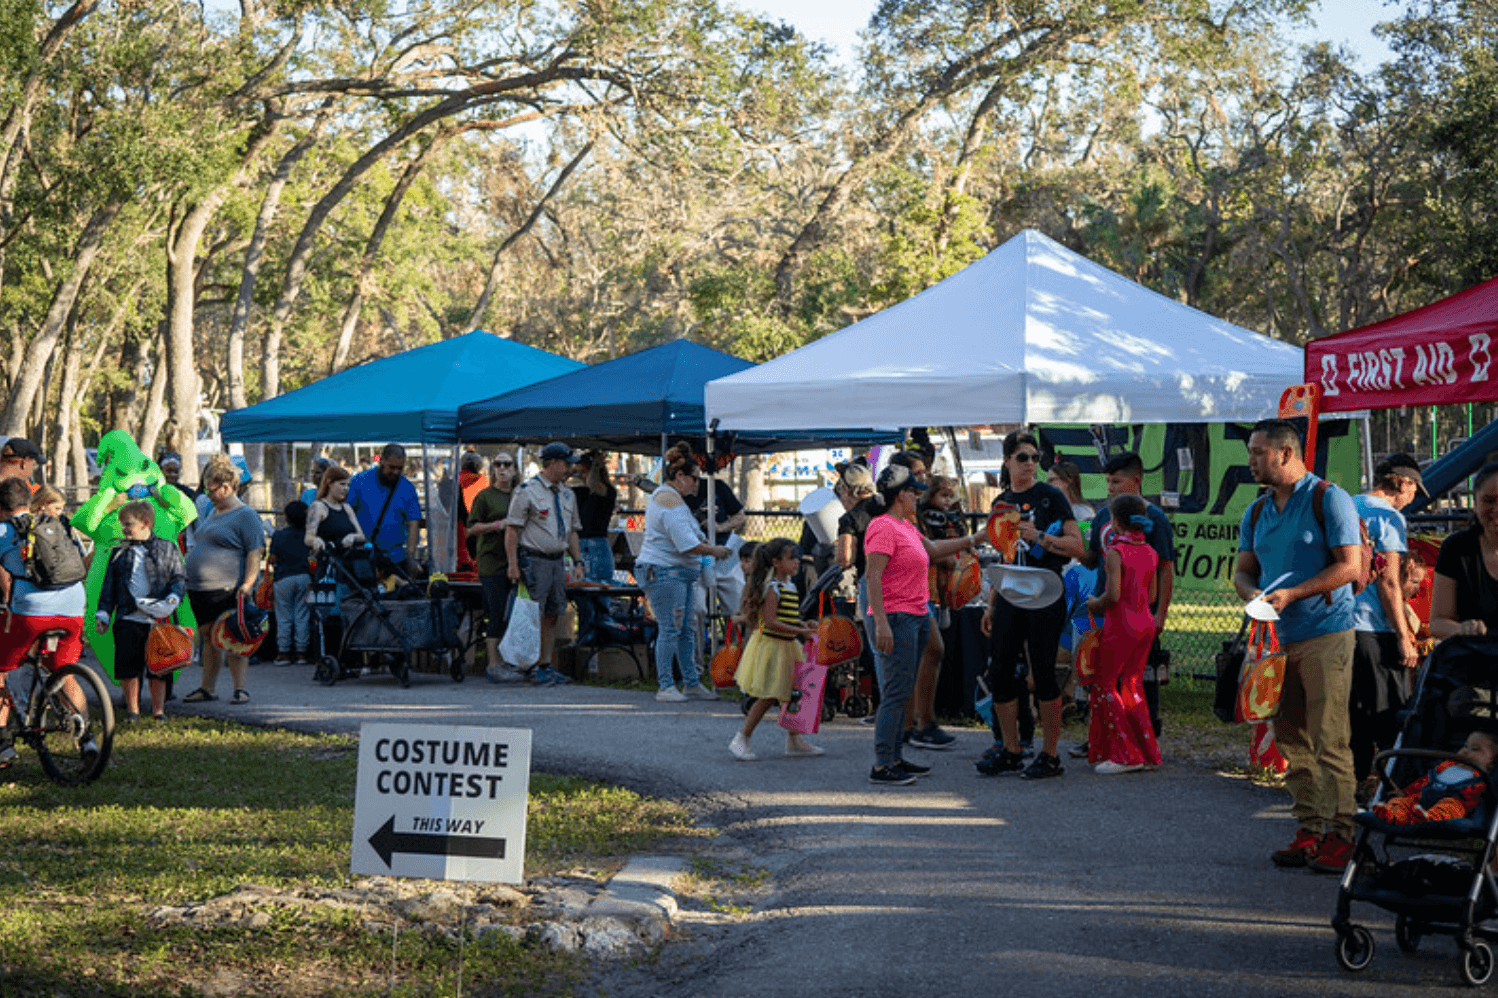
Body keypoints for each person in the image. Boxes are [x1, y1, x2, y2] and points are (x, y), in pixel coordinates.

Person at [1233, 418, 1361, 873]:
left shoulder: (1330, 498)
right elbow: (1243, 571)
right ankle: (1310, 827)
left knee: (1329, 738)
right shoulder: (1256, 510)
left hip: (1326, 632)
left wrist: (1293, 594)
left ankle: (1342, 834)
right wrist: (1252, 596)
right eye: (1250, 451)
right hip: (1276, 642)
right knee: (1290, 737)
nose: (1250, 461)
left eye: (1258, 452)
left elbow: (1350, 567)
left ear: (1286, 453)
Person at [977, 431, 1084, 780]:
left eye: (1035, 458)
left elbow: (1077, 546)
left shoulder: (1050, 496)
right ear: (1007, 461)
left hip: (1045, 592)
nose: (1030, 464)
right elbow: (1005, 556)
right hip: (1010, 594)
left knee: (1042, 673)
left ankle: (1050, 755)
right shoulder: (1001, 503)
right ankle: (1011, 750)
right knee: (1001, 672)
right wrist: (992, 605)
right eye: (1022, 457)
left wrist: (1040, 536)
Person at [866, 463, 979, 785]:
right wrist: (882, 623)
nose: (918, 495)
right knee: (896, 691)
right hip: (898, 616)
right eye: (913, 491)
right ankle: (883, 763)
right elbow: (873, 575)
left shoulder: (906, 525)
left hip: (915, 614)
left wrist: (975, 538)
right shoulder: (883, 526)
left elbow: (932, 550)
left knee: (902, 689)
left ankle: (894, 757)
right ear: (900, 494)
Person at [1077, 451, 1176, 751]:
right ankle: (1103, 738)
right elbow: (1092, 558)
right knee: (1100, 677)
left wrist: (1161, 614)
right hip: (1106, 612)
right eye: (1107, 481)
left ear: (1136, 480)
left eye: (1117, 481)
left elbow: (1166, 567)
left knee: (1134, 680)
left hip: (1135, 613)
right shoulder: (1103, 517)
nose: (1110, 487)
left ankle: (1138, 739)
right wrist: (1057, 543)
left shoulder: (1154, 518)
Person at [1350, 454, 1424, 796]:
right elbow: (1390, 582)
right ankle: (1393, 790)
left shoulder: (1347, 505)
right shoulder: (1388, 517)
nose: (1412, 498)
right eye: (1413, 489)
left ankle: (1351, 785)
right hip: (1374, 628)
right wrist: (1403, 636)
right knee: (1387, 711)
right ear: (1404, 483)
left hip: (1338, 623)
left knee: (1353, 711)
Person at [0, 477, 88, 766]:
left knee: (1, 667)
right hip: (74, 606)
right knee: (63, 671)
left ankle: (2, 745)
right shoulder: (53, 523)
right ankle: (88, 739)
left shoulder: (2, 530)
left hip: (32, 611)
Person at [635, 443, 730, 702]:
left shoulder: (670, 498)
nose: (696, 485)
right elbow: (686, 543)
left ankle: (690, 683)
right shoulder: (670, 501)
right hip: (666, 572)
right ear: (680, 476)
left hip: (675, 572)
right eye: (694, 479)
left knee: (685, 629)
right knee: (670, 628)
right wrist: (714, 551)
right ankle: (665, 685)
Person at [1083, 494, 1162, 775]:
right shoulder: (1150, 552)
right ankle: (1146, 750)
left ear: (1115, 523)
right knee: (1132, 685)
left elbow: (1113, 594)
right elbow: (1151, 594)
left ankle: (1124, 753)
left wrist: (1094, 603)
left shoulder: (1116, 552)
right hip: (1145, 623)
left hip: (1121, 624)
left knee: (1105, 686)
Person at [182, 454, 266, 706]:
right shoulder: (214, 514)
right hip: (201, 589)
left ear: (227, 488)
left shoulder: (246, 515)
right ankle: (207, 688)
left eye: (211, 490)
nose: (207, 495)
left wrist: (248, 583)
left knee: (233, 637)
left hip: (228, 586)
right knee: (209, 637)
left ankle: (240, 689)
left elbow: (255, 551)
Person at [729, 538, 822, 760]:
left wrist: (802, 624)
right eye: (791, 558)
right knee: (769, 695)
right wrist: (800, 632)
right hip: (772, 647)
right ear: (776, 562)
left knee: (791, 694)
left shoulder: (788, 586)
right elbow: (769, 621)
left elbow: (786, 616)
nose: (797, 561)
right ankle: (742, 737)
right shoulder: (772, 588)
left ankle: (794, 740)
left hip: (786, 646)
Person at [94, 501, 186, 721]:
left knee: (159, 666)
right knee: (128, 666)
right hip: (128, 617)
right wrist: (103, 614)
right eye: (122, 525)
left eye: (128, 524)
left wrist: (173, 597)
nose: (124, 529)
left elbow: (178, 577)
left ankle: (158, 710)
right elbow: (109, 586)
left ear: (146, 523)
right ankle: (132, 709)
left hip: (159, 620)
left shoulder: (167, 547)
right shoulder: (119, 552)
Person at [505, 441, 585, 687]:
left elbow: (572, 531)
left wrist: (578, 561)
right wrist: (513, 563)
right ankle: (527, 665)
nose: (570, 469)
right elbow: (512, 530)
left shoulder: (568, 494)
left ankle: (545, 664)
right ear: (552, 463)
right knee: (532, 616)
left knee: (553, 613)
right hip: (534, 560)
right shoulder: (526, 490)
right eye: (565, 464)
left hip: (557, 561)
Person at [909, 474, 965, 750]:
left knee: (924, 655)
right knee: (927, 653)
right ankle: (919, 724)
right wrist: (951, 556)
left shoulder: (933, 518)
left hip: (930, 592)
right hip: (918, 593)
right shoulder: (915, 518)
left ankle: (913, 724)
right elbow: (927, 551)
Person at [468, 453, 524, 683]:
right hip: (492, 561)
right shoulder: (485, 497)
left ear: (515, 469)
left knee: (517, 613)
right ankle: (493, 663)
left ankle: (512, 660)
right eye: (497, 463)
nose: (502, 468)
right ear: (492, 469)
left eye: (506, 464)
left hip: (519, 559)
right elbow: (471, 528)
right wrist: (496, 525)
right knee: (496, 611)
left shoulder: (520, 494)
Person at [1369, 731, 1498, 826]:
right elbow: (1424, 781)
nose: (1466, 751)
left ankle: (1430, 818)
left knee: (1451, 807)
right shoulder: (1446, 765)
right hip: (1423, 799)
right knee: (1403, 802)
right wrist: (1405, 793)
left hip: (1454, 801)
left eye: (1475, 749)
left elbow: (1474, 799)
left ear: (1491, 763)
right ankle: (1392, 814)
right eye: (1465, 746)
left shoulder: (1482, 777)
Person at [1431, 462, 1498, 640]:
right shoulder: (1456, 548)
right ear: (1475, 503)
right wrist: (1461, 629)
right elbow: (1438, 622)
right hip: (1473, 662)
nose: (1497, 510)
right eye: (1489, 501)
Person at [683, 448, 747, 617]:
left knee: (735, 607)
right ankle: (699, 642)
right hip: (694, 557)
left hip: (724, 551)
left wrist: (720, 527)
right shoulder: (675, 496)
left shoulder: (716, 487)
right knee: (697, 610)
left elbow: (740, 516)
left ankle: (732, 642)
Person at [347, 444, 422, 570]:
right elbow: (347, 513)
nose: (395, 472)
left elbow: (413, 523)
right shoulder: (359, 481)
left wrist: (410, 556)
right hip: (362, 556)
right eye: (391, 467)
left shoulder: (407, 488)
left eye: (400, 468)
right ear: (381, 461)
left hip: (393, 559)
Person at [572, 451, 619, 642]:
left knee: (598, 597)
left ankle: (599, 639)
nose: (581, 477)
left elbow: (593, 485)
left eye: (584, 473)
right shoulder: (579, 491)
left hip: (596, 545)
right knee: (583, 599)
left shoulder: (606, 490)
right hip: (584, 545)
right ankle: (586, 639)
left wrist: (595, 466)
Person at [268, 501, 312, 666]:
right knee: (302, 615)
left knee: (284, 616)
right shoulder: (308, 535)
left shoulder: (279, 535)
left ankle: (284, 653)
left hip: (284, 578)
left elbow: (272, 559)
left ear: (286, 518)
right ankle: (301, 653)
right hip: (305, 577)